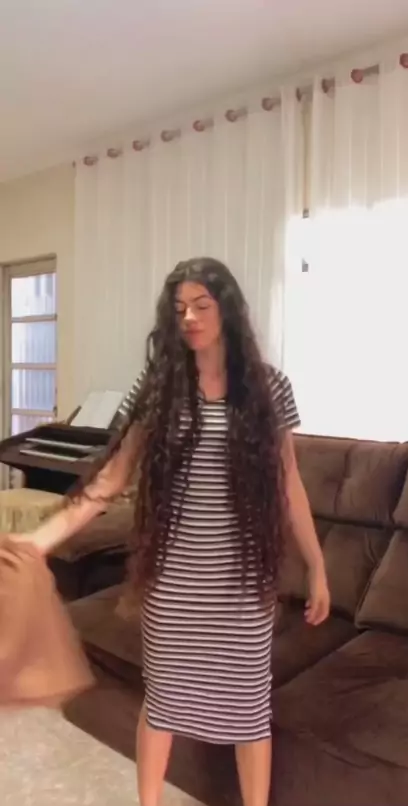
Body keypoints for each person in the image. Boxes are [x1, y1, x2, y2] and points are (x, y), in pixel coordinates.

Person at [12, 257, 330, 806]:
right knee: (162, 706)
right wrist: (40, 540)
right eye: (180, 308)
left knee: (249, 712)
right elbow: (112, 479)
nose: (189, 318)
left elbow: (289, 484)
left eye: (201, 305)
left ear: (227, 309)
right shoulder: (159, 386)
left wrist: (318, 566)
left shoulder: (269, 388)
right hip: (173, 580)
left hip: (242, 580)